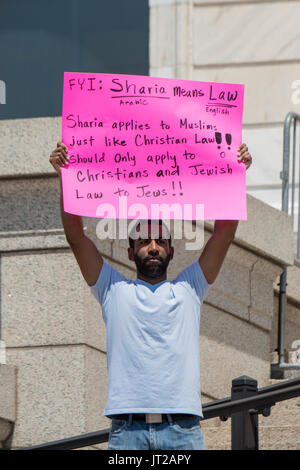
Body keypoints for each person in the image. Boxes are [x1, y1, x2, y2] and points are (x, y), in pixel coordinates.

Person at [49, 142, 252, 450]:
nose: (153, 246)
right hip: (127, 432)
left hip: (182, 430)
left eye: (160, 241)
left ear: (171, 250)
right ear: (131, 252)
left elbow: (224, 231)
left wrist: (236, 173)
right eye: (144, 240)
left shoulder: (191, 287)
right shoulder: (112, 289)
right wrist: (66, 176)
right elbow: (75, 235)